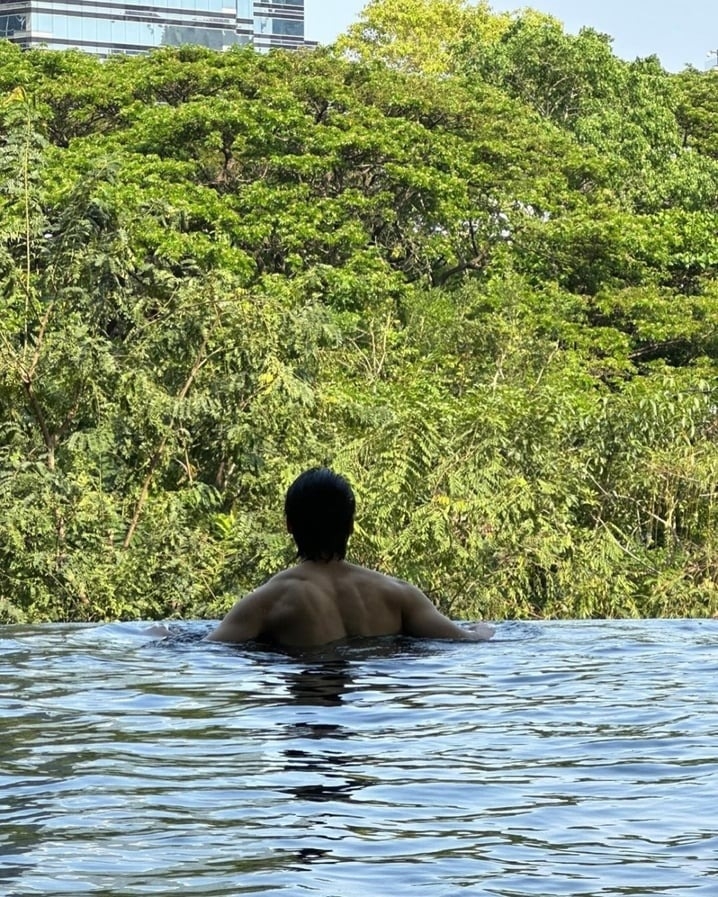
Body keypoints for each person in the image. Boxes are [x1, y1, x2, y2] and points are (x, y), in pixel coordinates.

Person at [206, 467, 494, 647]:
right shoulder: (399, 595)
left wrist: (161, 636)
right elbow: (465, 641)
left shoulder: (268, 601)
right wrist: (481, 629)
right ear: (351, 526)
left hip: (306, 701)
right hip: (367, 721)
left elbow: (209, 650)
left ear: (289, 526)